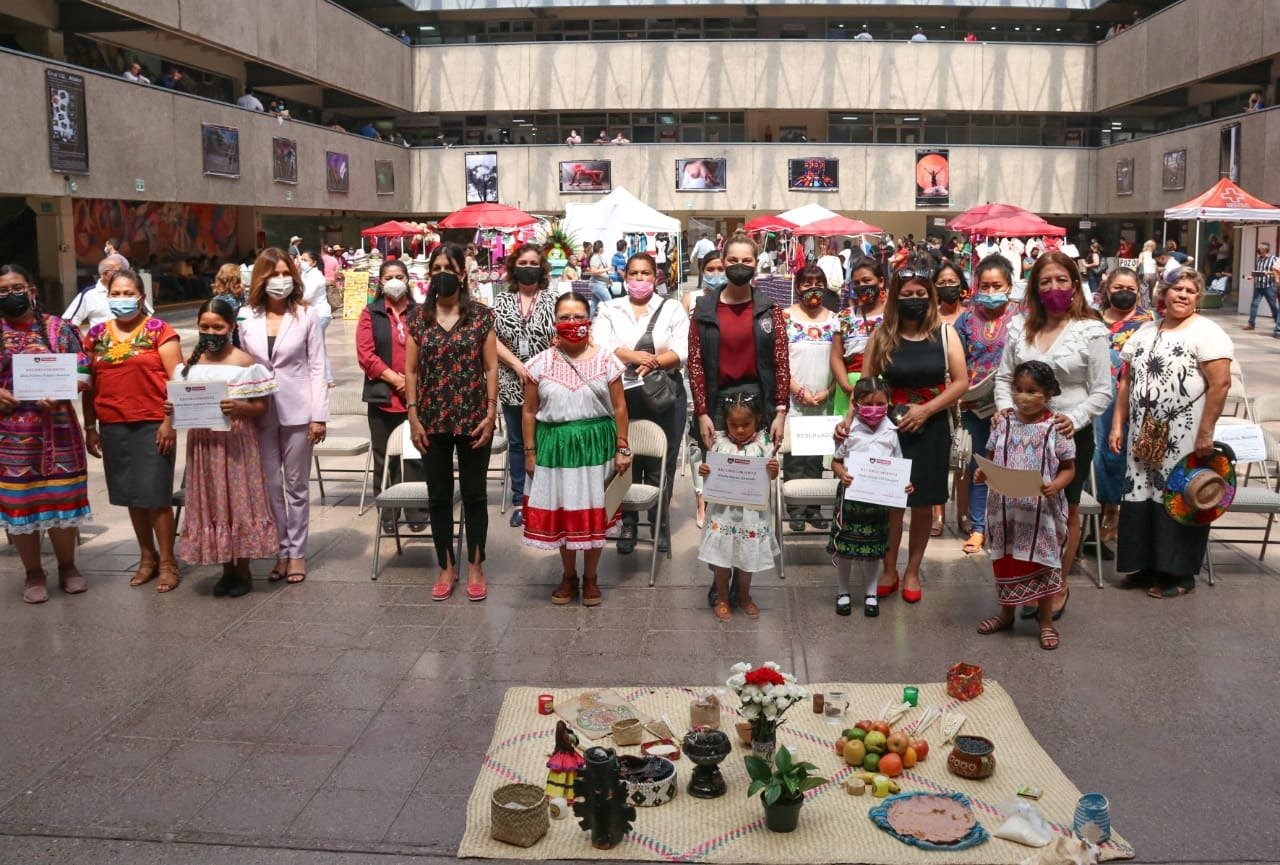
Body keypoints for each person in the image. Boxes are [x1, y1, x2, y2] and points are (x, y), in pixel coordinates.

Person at [994, 251, 1111, 620]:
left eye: (1061, 280)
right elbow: (1003, 377)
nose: (1054, 287)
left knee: (1065, 508)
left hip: (1067, 432)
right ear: (1035, 288)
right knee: (1023, 506)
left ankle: (1057, 581)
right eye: (1045, 281)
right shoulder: (1019, 328)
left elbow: (1102, 390)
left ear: (1074, 284)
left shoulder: (1089, 330)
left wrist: (1073, 420)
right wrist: (1003, 409)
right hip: (1021, 434)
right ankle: (1026, 580)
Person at [1110, 268, 1232, 598]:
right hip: (1143, 435)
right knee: (1142, 495)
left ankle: (1179, 574)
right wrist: (1118, 424)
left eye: (1190, 291)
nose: (1182, 295)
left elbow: (1220, 384)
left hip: (1185, 435)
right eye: (1176, 288)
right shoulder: (1145, 331)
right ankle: (1145, 566)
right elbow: (1125, 381)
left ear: (1198, 297)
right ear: (1162, 294)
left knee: (1179, 498)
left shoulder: (1208, 333)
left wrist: (1206, 433)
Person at [860, 260, 968, 603]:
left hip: (931, 427)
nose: (915, 299)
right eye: (907, 294)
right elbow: (865, 384)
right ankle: (889, 568)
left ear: (931, 295)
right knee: (891, 503)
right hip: (888, 429)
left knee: (922, 504)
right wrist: (850, 423)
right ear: (895, 297)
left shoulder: (946, 333)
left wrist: (927, 410)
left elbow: (962, 381)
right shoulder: (881, 334)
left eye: (922, 293)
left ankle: (912, 570)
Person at [522, 291, 630, 606]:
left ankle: (592, 577)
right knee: (564, 513)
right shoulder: (538, 364)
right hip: (555, 447)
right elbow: (528, 411)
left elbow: (620, 408)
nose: (572, 323)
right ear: (555, 322)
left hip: (597, 444)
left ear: (589, 320)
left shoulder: (606, 359)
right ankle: (569, 575)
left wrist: (622, 447)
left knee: (594, 513)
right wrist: (529, 452)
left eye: (578, 317)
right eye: (565, 317)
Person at [405, 242, 498, 602]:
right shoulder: (418, 318)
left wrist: (491, 414)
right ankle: (446, 566)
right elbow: (410, 370)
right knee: (439, 496)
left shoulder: (481, 316)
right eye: (436, 267)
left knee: (475, 495)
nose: (442, 273)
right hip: (432, 420)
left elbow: (491, 366)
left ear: (462, 273)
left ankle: (475, 564)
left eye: (449, 267)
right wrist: (413, 416)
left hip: (474, 418)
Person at [82, 270, 182, 592]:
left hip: (153, 424)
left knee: (156, 495)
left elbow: (177, 382)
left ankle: (168, 562)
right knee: (131, 496)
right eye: (116, 293)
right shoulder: (95, 335)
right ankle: (146, 558)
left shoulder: (160, 332)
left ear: (141, 296)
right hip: (113, 425)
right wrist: (90, 426)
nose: (121, 298)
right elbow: (88, 384)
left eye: (128, 293)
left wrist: (169, 423)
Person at [169, 300, 277, 597]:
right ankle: (225, 569)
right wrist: (172, 408)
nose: (211, 332)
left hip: (236, 443)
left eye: (218, 327)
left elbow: (261, 407)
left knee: (240, 502)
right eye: (205, 327)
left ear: (231, 327)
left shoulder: (245, 363)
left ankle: (243, 570)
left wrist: (239, 406)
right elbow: (180, 405)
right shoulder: (189, 366)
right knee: (214, 502)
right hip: (203, 446)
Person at [0, 264, 92, 603]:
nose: (11, 295)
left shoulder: (60, 329)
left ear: (32, 290)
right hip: (9, 435)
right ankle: (33, 573)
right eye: (3, 291)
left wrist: (66, 387)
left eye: (17, 288)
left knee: (62, 497)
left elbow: (83, 368)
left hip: (59, 430)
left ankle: (68, 566)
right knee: (20, 502)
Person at [238, 248, 329, 585]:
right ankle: (279, 549)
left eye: (285, 273)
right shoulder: (247, 315)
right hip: (259, 409)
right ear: (261, 278)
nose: (280, 280)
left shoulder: (305, 315)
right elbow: (241, 360)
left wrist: (319, 415)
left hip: (299, 410)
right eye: (273, 274)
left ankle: (297, 554)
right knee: (270, 485)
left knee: (296, 486)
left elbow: (318, 365)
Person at [975, 360, 1075, 650]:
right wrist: (983, 473)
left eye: (1031, 391)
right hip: (1004, 511)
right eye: (1018, 389)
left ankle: (1045, 621)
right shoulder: (1002, 422)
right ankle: (1006, 614)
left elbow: (1069, 467)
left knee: (1041, 562)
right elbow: (991, 459)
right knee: (1005, 562)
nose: (1023, 396)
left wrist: (1055, 485)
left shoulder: (1057, 427)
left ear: (1048, 393)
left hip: (1041, 514)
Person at [594, 252, 689, 553]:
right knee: (626, 458)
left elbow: (684, 348)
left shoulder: (671, 307)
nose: (639, 279)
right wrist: (633, 356)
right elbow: (599, 345)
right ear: (625, 277)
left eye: (645, 273)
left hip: (665, 394)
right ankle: (629, 523)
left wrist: (657, 362)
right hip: (623, 395)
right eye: (633, 274)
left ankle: (659, 520)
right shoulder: (610, 308)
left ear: (655, 277)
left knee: (663, 461)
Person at [828, 377, 911, 617]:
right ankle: (843, 592)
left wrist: (905, 485)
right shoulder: (848, 431)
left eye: (880, 403)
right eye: (867, 403)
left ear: (888, 403)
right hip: (850, 500)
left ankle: (871, 593)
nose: (874, 409)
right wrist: (842, 473)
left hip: (877, 502)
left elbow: (899, 465)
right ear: (856, 403)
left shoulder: (892, 432)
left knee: (873, 550)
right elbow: (835, 461)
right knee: (845, 548)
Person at [953, 255, 1018, 555]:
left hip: (1014, 407)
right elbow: (954, 359)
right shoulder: (966, 318)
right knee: (980, 465)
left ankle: (1007, 527)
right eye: (986, 285)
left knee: (1010, 467)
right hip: (973, 405)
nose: (991, 292)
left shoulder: (1022, 318)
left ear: (1009, 285)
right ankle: (978, 528)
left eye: (998, 286)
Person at [357, 258, 426, 534]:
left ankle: (417, 509)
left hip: (417, 395)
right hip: (384, 395)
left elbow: (428, 349)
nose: (394, 281)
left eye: (400, 275)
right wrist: (397, 380)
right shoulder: (370, 313)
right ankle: (388, 510)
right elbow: (366, 355)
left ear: (407, 280)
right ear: (380, 282)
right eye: (389, 277)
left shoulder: (421, 313)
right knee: (385, 456)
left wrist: (412, 381)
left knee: (416, 453)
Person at [698, 395, 779, 622]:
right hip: (723, 514)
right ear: (725, 422)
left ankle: (744, 596)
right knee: (722, 557)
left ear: (757, 420)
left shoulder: (763, 445)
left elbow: (771, 476)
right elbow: (710, 473)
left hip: (751, 515)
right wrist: (705, 471)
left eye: (746, 424)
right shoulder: (718, 442)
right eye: (734, 425)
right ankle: (722, 598)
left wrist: (774, 469)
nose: (740, 430)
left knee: (747, 557)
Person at [1089, 267, 1154, 553]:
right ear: (1106, 289)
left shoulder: (1150, 322)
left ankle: (1122, 513)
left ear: (1139, 290)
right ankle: (1103, 508)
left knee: (1128, 453)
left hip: (1137, 397)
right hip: (1098, 397)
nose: (1123, 292)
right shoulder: (1093, 319)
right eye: (1117, 287)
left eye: (1129, 287)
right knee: (1101, 454)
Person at [493, 244, 557, 527]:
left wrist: (539, 368)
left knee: (546, 442)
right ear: (513, 267)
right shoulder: (501, 302)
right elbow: (490, 339)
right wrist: (519, 366)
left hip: (548, 382)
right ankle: (520, 500)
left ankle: (547, 499)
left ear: (541, 268)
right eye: (523, 262)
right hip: (512, 381)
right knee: (518, 443)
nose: (528, 266)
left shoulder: (554, 300)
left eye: (534, 262)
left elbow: (562, 339)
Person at [782, 265, 837, 531]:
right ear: (797, 286)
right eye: (807, 283)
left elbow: (841, 361)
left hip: (824, 397)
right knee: (794, 457)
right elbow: (779, 361)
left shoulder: (835, 320)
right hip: (795, 398)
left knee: (815, 456)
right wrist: (798, 390)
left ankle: (814, 508)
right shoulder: (784, 317)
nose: (813, 288)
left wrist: (828, 391)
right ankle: (795, 509)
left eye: (818, 282)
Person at [682, 250, 726, 529]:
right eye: (710, 268)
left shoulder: (735, 296)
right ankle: (701, 497)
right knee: (697, 440)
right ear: (702, 270)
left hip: (725, 380)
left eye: (720, 267)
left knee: (723, 440)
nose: (716, 272)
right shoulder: (691, 299)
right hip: (694, 378)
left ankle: (722, 493)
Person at [830, 257, 887, 418]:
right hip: (850, 386)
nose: (862, 286)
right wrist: (846, 386)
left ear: (881, 281)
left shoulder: (893, 316)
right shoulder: (845, 316)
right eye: (857, 283)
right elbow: (836, 356)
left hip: (885, 386)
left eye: (867, 280)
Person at [297, 249, 334, 386]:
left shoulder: (316, 276)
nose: (302, 262)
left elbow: (306, 297)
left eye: (305, 260)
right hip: (313, 314)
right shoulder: (305, 275)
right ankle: (326, 377)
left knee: (316, 346)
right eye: (302, 259)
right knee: (317, 346)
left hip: (319, 314)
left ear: (313, 263)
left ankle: (327, 377)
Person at [63, 257, 126, 331]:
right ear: (105, 274)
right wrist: (83, 340)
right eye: (119, 271)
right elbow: (69, 321)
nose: (123, 274)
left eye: (124, 271)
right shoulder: (89, 294)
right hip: (101, 341)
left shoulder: (129, 291)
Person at [1244, 242, 1277, 331]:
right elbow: (1257, 271)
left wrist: (1268, 272)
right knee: (1254, 304)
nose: (1258, 250)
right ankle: (1251, 324)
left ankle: (1278, 323)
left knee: (1273, 306)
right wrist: (1252, 276)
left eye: (1260, 249)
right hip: (1259, 286)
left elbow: (1278, 271)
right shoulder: (1259, 259)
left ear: (1265, 249)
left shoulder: (1274, 259)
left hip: (1269, 286)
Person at [585, 240, 613, 317]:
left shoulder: (599, 257)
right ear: (601, 248)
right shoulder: (595, 258)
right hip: (598, 285)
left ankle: (589, 323)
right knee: (610, 303)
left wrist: (608, 280)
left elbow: (601, 271)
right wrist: (607, 269)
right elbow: (594, 271)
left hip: (599, 284)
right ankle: (611, 321)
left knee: (593, 306)